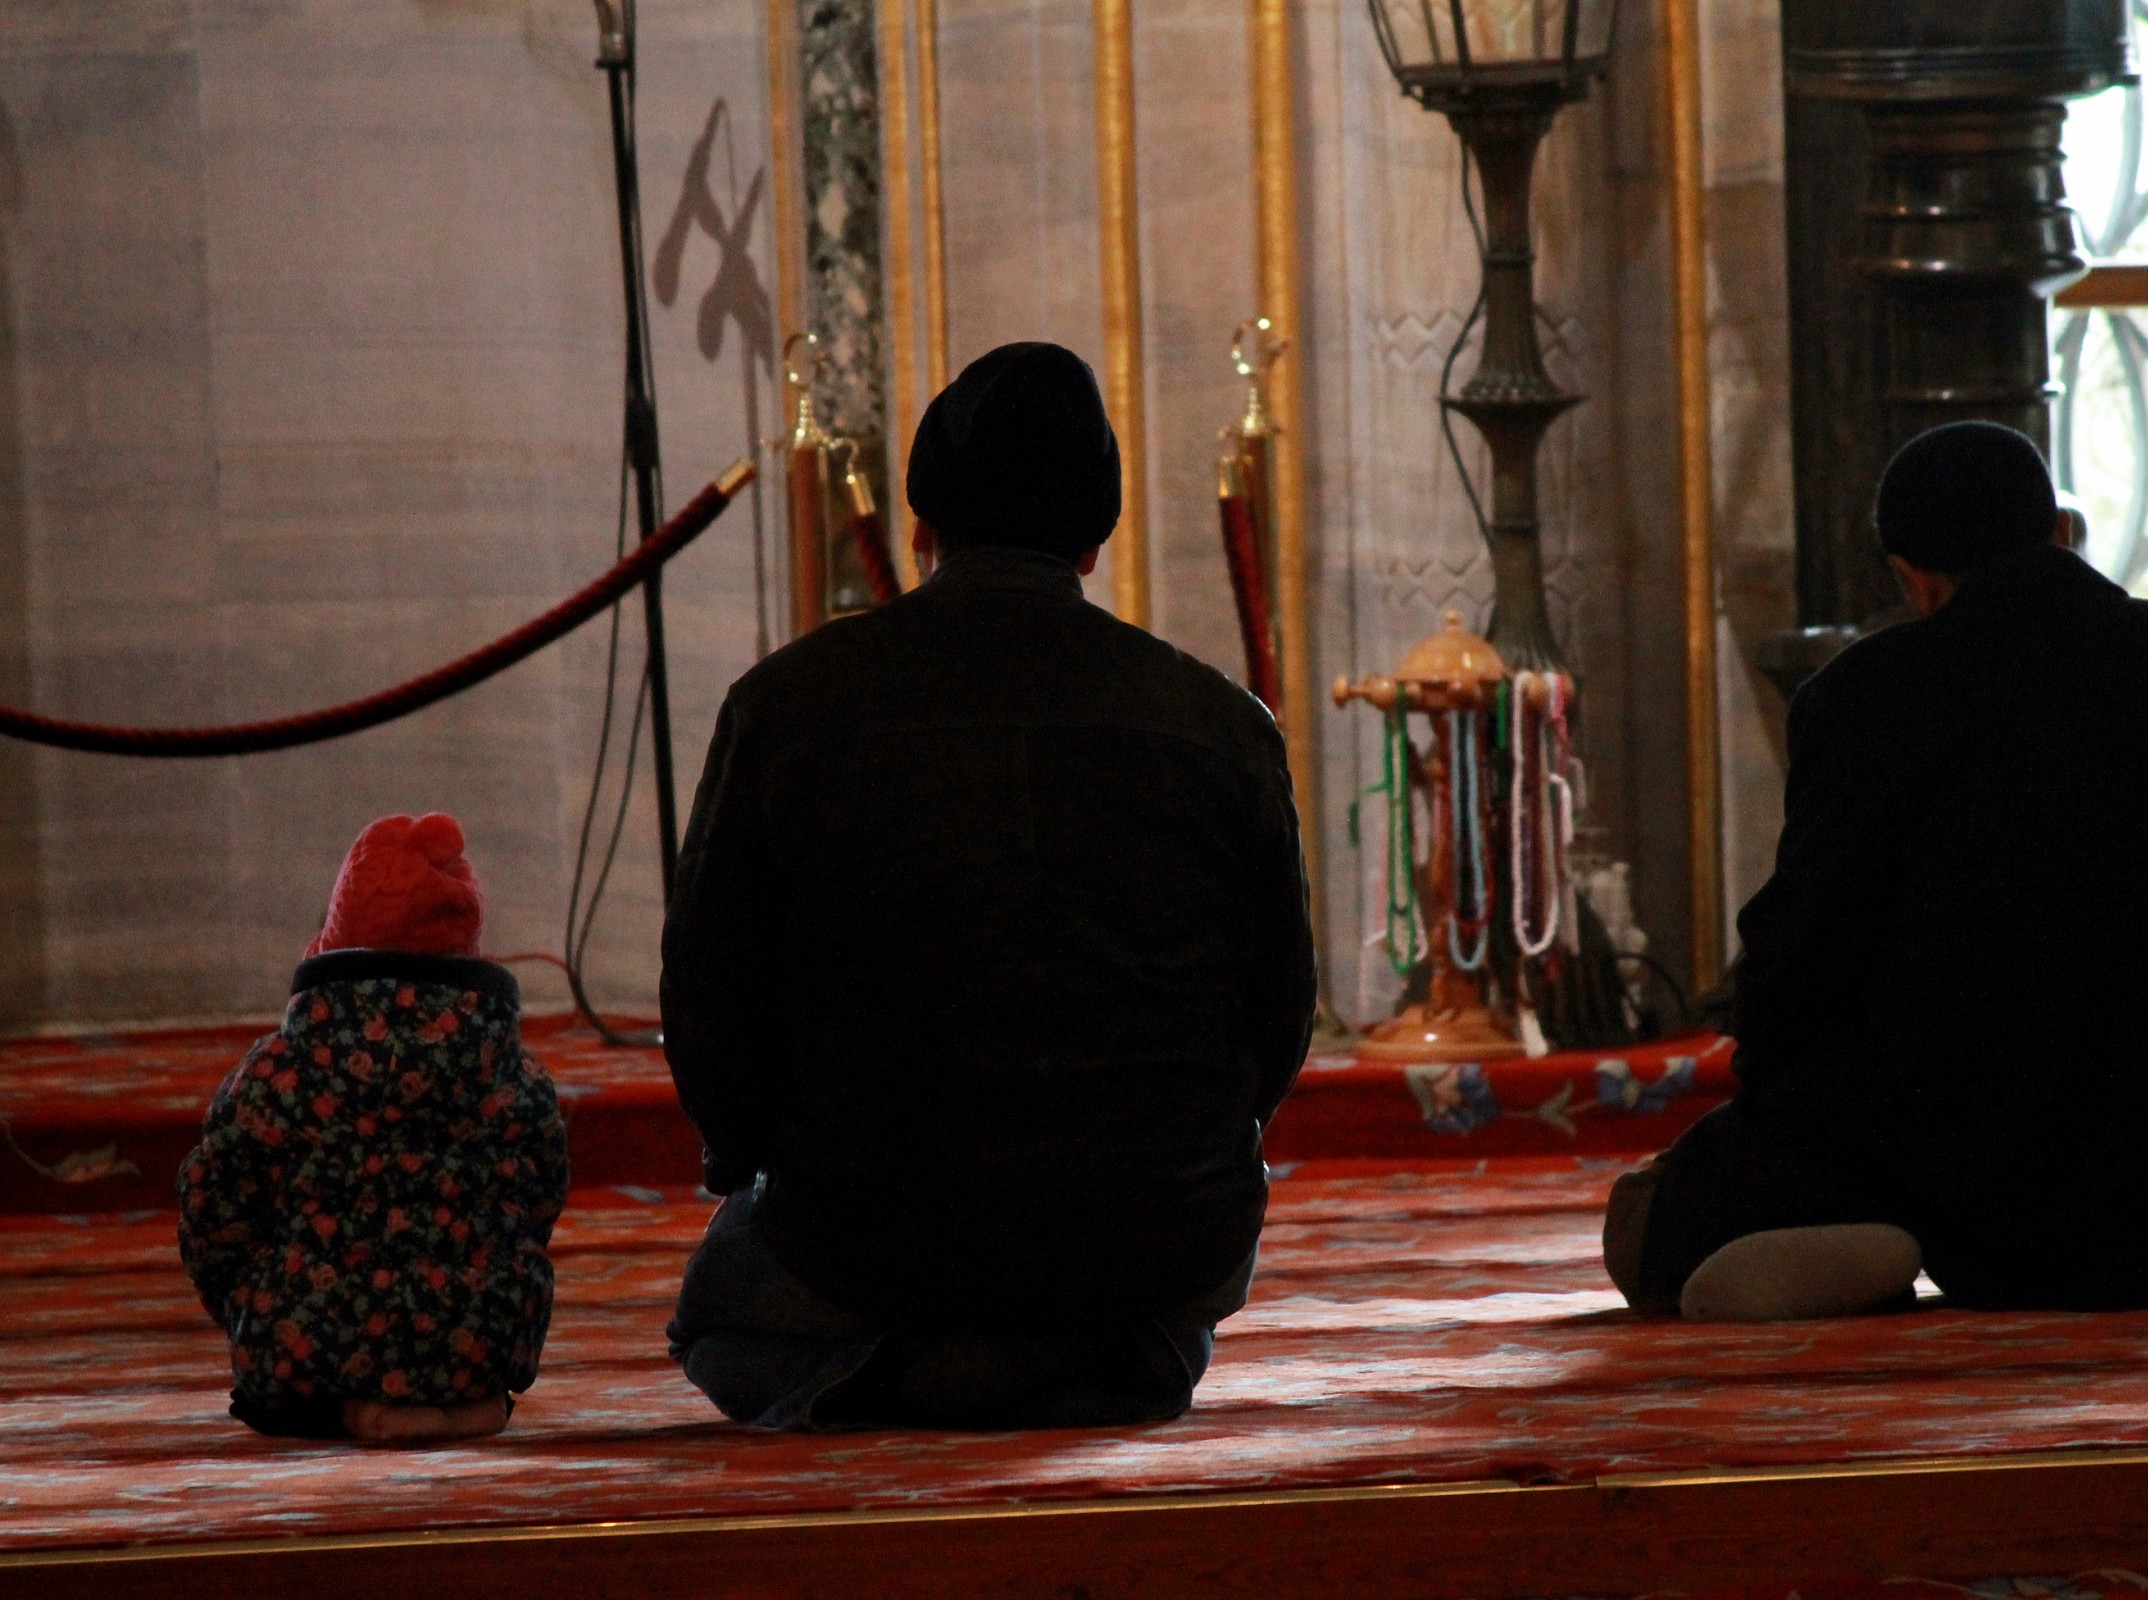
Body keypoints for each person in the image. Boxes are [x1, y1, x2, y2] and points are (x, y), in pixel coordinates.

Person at [660, 340, 1315, 1429]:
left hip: (862, 1243)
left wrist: (760, 1165)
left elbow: (709, 1005)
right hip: (1145, 1246)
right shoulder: (1221, 725)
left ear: (921, 528)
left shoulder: (785, 709)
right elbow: (1277, 1027)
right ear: (1095, 542)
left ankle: (912, 1364)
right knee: (1141, 1282)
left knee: (714, 1318)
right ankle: (1090, 1355)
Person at [1605, 421, 2148, 1322]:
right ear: (2057, 530)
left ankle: (1874, 1243)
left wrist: (1781, 1100)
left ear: (1914, 577)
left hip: (1961, 1178)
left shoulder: (1864, 697)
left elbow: (1800, 958)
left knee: (1647, 1221)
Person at [177, 813, 570, 1441]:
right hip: (480, 1337)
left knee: (269, 1397)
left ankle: (357, 1408)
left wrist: (244, 1301)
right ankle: (467, 1400)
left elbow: (213, 1204)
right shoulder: (515, 1073)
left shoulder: (281, 1070)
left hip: (314, 1338)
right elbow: (542, 1200)